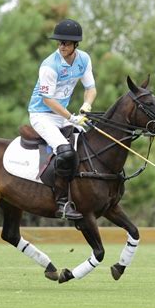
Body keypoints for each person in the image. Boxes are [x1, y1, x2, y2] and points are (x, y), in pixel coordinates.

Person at [28, 19, 97, 220]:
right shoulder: (50, 65)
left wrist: (86, 106)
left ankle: (84, 191)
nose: (62, 46)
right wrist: (71, 117)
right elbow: (47, 100)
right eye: (59, 42)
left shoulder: (83, 59)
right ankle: (61, 202)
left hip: (63, 115)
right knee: (65, 152)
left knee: (88, 142)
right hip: (42, 115)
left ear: (76, 44)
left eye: (66, 43)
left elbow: (90, 89)